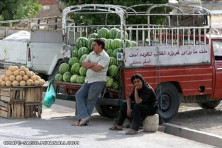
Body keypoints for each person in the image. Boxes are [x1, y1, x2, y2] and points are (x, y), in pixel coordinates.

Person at [72, 39, 110, 126]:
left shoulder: (105, 56)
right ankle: (83, 117)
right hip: (88, 80)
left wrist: (89, 65)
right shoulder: (91, 53)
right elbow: (83, 64)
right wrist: (93, 64)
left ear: (100, 46)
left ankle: (82, 120)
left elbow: (98, 68)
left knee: (90, 100)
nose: (93, 46)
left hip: (98, 81)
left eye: (95, 45)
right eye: (93, 45)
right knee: (79, 95)